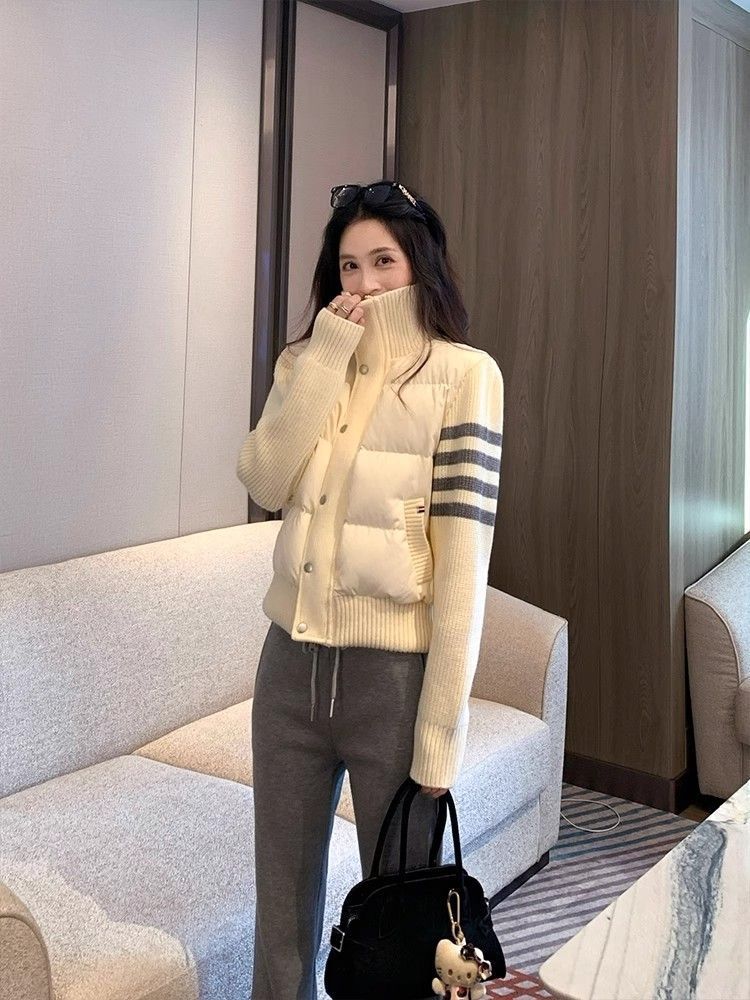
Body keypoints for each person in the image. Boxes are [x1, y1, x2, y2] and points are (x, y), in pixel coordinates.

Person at [236, 179, 504, 999]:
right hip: (288, 673)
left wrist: (441, 733)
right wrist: (323, 357)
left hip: (391, 685)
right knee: (280, 917)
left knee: (401, 926)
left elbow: (463, 568)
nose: (364, 282)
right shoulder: (305, 363)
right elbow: (264, 480)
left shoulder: (464, 376)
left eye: (383, 261)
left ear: (419, 263)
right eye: (349, 265)